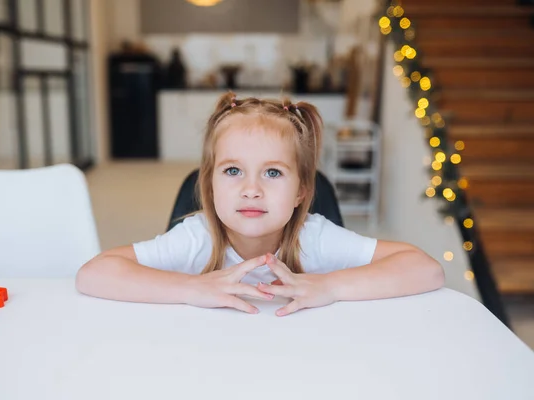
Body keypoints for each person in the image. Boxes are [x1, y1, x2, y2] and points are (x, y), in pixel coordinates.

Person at [76, 92, 444, 317]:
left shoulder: (313, 237)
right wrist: (190, 289)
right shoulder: (197, 236)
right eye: (233, 170)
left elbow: (425, 269)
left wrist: (330, 287)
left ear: (301, 191)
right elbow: (93, 274)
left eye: (272, 173)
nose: (251, 189)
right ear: (210, 186)